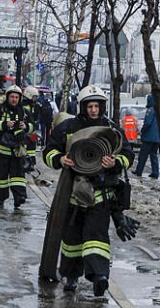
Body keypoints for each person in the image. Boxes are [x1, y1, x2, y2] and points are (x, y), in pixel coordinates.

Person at [43, 85, 138, 297]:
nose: (94, 110)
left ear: (102, 107)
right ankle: (71, 277)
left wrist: (114, 163)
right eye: (90, 106)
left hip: (100, 195)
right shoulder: (67, 128)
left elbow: (128, 155)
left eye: (97, 106)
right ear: (82, 106)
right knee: (72, 240)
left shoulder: (112, 129)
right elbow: (49, 151)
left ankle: (100, 277)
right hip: (73, 194)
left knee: (96, 237)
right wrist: (60, 159)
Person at [0, 85, 34, 209]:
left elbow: (32, 128)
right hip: (1, 150)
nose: (14, 99)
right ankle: (1, 199)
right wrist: (5, 124)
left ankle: (19, 198)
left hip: (17, 151)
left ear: (20, 99)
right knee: (1, 177)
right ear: (7, 97)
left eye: (16, 97)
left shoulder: (25, 113)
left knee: (18, 176)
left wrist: (26, 127)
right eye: (12, 97)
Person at [132, 95, 160, 179]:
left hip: (148, 137)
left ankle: (139, 171)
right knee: (154, 155)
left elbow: (147, 123)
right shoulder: (158, 110)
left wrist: (142, 131)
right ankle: (155, 172)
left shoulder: (150, 110)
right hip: (156, 138)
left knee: (143, 155)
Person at [22, 86, 41, 171]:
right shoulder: (23, 105)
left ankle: (32, 163)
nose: (35, 99)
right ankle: (26, 163)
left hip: (33, 130)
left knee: (33, 147)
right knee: (25, 146)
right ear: (29, 96)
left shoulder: (34, 105)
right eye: (34, 97)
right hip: (25, 130)